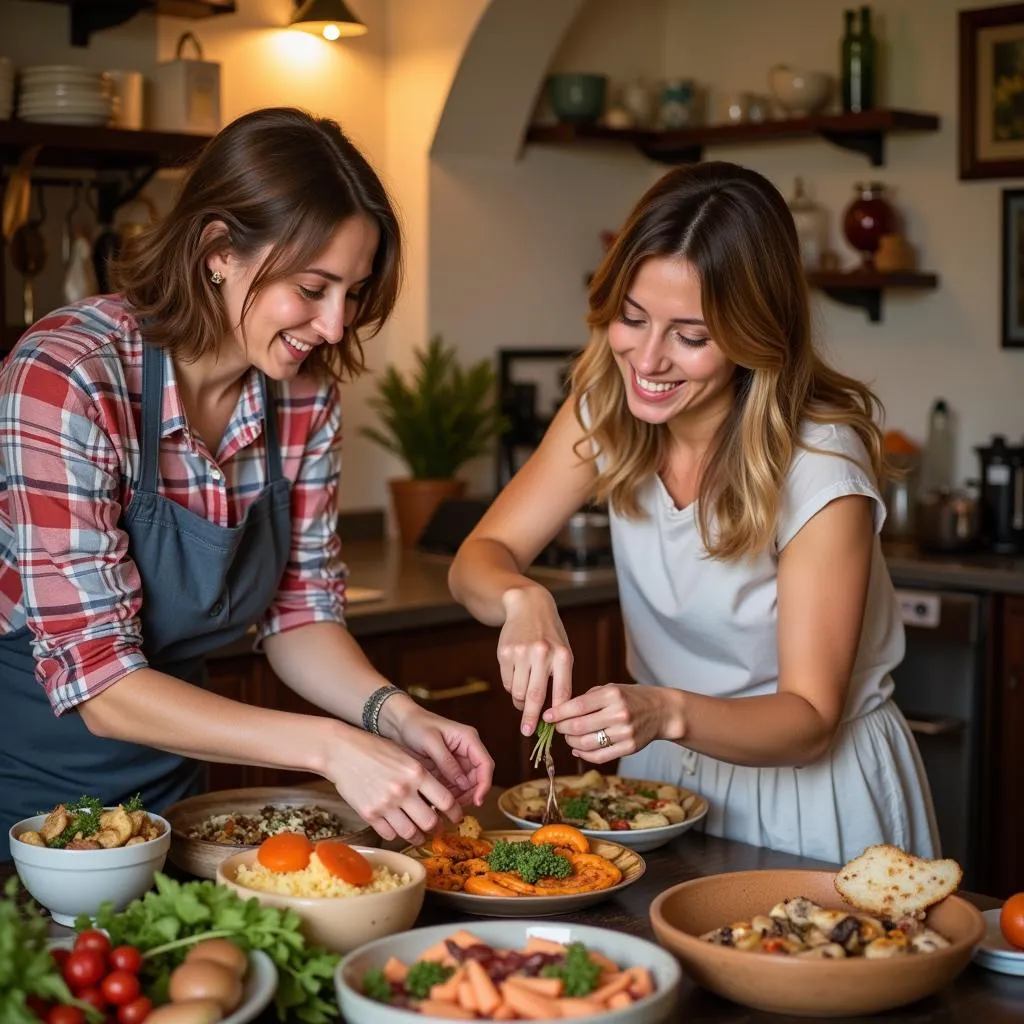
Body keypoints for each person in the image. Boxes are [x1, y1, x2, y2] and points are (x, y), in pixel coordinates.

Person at [0, 107, 493, 859]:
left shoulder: (302, 394)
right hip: (25, 796)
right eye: (313, 287)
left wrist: (395, 717)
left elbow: (299, 615)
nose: (335, 326)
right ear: (218, 250)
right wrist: (331, 748)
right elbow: (99, 682)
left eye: (353, 292)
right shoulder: (68, 375)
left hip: (173, 797)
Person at [448, 161, 939, 864]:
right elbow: (479, 557)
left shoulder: (820, 469)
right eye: (632, 317)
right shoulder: (609, 410)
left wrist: (662, 710)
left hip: (811, 796)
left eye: (690, 335)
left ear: (753, 334)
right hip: (662, 780)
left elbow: (809, 722)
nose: (647, 359)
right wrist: (520, 597)